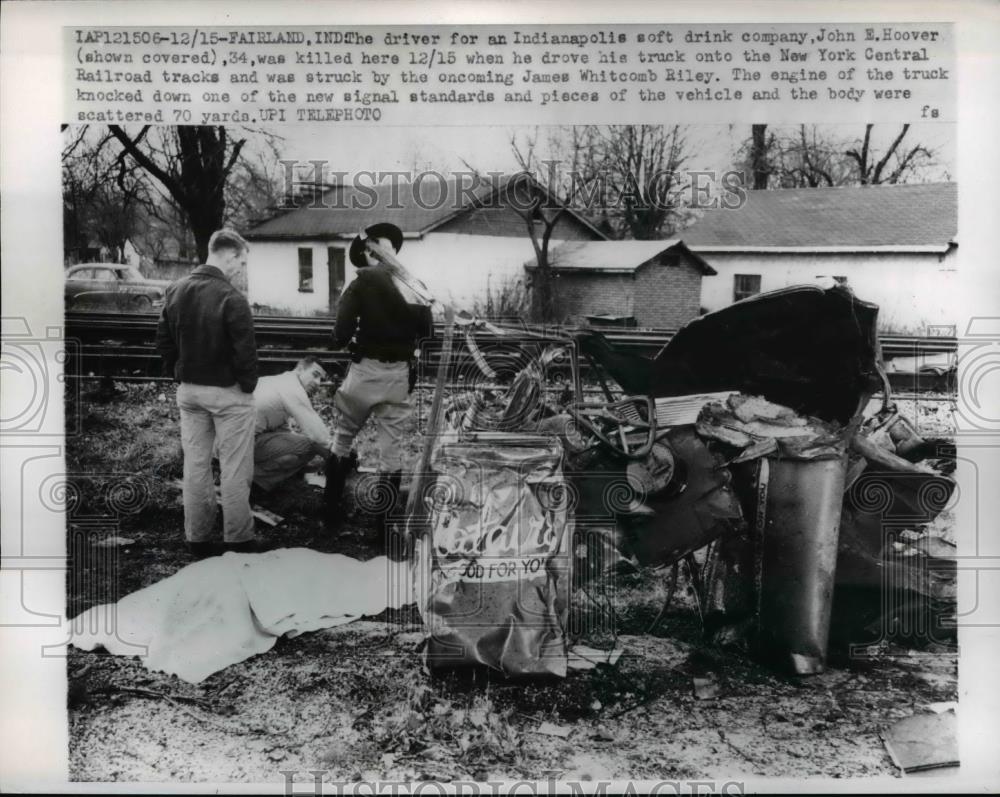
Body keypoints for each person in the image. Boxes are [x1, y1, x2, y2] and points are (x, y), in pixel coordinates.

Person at [325, 222, 433, 546]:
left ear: (368, 252)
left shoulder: (358, 282)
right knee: (392, 451)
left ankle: (330, 512)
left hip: (364, 372)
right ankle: (384, 530)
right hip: (398, 376)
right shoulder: (414, 285)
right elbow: (428, 335)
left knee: (342, 437)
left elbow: (341, 333)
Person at [156, 228, 261, 558]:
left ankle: (197, 540)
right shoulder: (232, 298)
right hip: (228, 394)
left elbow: (163, 342)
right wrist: (246, 386)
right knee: (234, 467)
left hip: (190, 392)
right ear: (228, 255)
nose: (240, 269)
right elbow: (246, 353)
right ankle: (238, 540)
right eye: (240, 262)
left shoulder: (175, 290)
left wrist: (178, 372)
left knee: (196, 465)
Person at [252, 357, 334, 494]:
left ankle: (255, 478)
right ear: (300, 369)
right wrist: (337, 451)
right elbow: (318, 434)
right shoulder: (292, 387)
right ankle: (256, 479)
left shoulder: (279, 382)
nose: (318, 383)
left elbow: (282, 429)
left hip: (234, 444)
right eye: (315, 375)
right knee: (313, 445)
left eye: (321, 379)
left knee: (294, 457)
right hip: (243, 443)